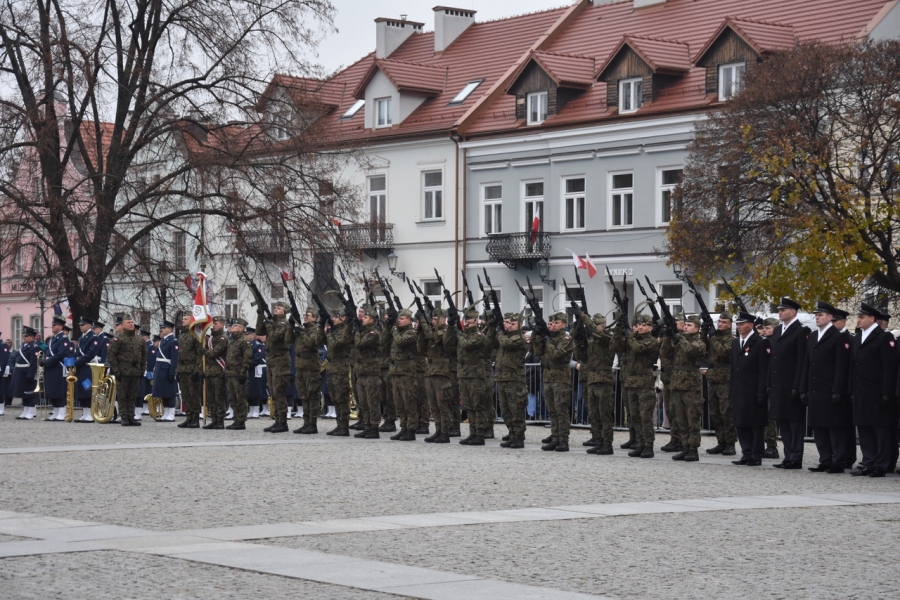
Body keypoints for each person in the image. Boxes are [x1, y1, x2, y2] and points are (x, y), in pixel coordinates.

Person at [799, 302, 852, 473]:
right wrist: (803, 388)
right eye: (816, 315)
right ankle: (825, 459)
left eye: (820, 315)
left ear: (830, 317)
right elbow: (807, 364)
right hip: (815, 389)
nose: (817, 317)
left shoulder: (838, 337)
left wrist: (837, 390)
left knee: (834, 427)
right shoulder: (813, 336)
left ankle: (839, 461)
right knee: (819, 427)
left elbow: (841, 367)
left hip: (830, 389)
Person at [849, 303, 898, 477]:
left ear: (872, 319)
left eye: (862, 317)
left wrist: (887, 392)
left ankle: (881, 464)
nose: (858, 320)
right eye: (858, 317)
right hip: (860, 391)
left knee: (880, 430)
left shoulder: (883, 337)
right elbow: (853, 367)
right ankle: (868, 462)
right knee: (864, 428)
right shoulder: (858, 337)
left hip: (877, 391)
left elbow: (889, 367)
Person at [768, 298, 810, 469]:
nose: (780, 312)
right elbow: (773, 359)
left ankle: (796, 457)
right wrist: (769, 382)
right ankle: (788, 456)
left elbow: (801, 361)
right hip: (778, 384)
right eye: (779, 310)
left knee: (794, 423)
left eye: (783, 310)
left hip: (792, 384)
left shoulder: (801, 331)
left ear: (793, 312)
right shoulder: (778, 330)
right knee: (783, 421)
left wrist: (798, 386)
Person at [612, 314, 659, 458]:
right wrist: (619, 330)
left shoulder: (652, 341)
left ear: (650, 328)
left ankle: (648, 446)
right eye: (638, 325)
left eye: (644, 325)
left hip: (644, 383)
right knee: (634, 416)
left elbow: (638, 349)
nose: (640, 327)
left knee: (645, 416)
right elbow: (615, 346)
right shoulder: (632, 339)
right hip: (631, 383)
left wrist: (629, 335)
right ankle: (640, 442)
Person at [730, 311, 771, 466]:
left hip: (753, 391)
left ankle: (756, 454)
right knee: (740, 423)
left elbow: (763, 370)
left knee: (755, 424)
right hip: (739, 390)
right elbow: (733, 369)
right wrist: (731, 390)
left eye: (742, 324)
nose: (739, 327)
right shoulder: (736, 343)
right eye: (738, 324)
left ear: (751, 325)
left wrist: (761, 393)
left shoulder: (760, 342)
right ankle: (746, 453)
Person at [532, 312, 576, 452]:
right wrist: (537, 335)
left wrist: (547, 341)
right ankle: (555, 437)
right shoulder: (550, 338)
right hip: (548, 377)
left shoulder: (566, 338)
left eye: (556, 323)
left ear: (564, 324)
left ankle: (563, 440)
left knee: (561, 410)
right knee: (552, 411)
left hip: (561, 378)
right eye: (551, 323)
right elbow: (537, 351)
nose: (553, 325)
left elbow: (556, 354)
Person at [667, 315, 707, 462]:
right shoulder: (680, 341)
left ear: (697, 329)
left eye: (689, 325)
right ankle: (685, 447)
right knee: (681, 419)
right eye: (685, 325)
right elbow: (666, 353)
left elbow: (689, 350)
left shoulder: (699, 343)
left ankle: (693, 449)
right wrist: (668, 337)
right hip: (677, 385)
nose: (685, 327)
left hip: (691, 387)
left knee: (692, 419)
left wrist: (681, 338)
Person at [576, 311, 616, 455]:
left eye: (597, 324)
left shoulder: (608, 337)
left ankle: (607, 444)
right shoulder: (592, 340)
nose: (593, 327)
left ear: (603, 325)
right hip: (592, 379)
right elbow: (581, 356)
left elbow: (597, 333)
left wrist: (583, 316)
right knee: (594, 413)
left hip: (603, 379)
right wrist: (578, 339)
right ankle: (598, 441)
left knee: (604, 414)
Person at [489, 311, 527, 449]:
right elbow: (490, 342)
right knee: (505, 410)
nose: (509, 326)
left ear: (520, 325)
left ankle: (518, 437)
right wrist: (492, 327)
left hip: (515, 380)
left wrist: (500, 332)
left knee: (516, 410)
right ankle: (512, 434)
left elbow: (506, 344)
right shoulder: (503, 336)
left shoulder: (520, 338)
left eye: (513, 323)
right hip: (502, 378)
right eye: (507, 323)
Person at [419, 306, 456, 444]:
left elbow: (432, 336)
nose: (432, 321)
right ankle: (438, 430)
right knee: (434, 405)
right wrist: (420, 332)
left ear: (443, 320)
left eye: (435, 319)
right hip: (430, 372)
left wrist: (423, 322)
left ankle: (445, 432)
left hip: (442, 373)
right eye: (432, 319)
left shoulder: (445, 332)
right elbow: (421, 349)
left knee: (443, 405)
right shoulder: (431, 332)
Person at [257, 301, 294, 433]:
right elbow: (259, 331)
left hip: (280, 360)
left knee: (279, 391)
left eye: (279, 308)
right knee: (273, 391)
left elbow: (274, 337)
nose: (275, 309)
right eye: (275, 308)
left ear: (285, 311)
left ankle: (282, 422)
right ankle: (277, 420)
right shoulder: (273, 322)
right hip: (271, 360)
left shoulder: (284, 324)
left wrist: (269, 324)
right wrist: (260, 315)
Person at [705, 312, 737, 455]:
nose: (720, 324)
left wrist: (713, 338)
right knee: (715, 413)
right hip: (713, 379)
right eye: (719, 321)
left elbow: (724, 352)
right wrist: (704, 331)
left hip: (725, 380)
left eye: (724, 322)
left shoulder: (732, 339)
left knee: (726, 413)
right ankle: (721, 442)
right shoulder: (714, 337)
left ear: (730, 325)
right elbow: (704, 346)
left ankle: (730, 443)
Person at [108, 315, 147, 427]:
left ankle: (131, 416)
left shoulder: (139, 339)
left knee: (132, 395)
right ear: (123, 325)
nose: (131, 324)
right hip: (123, 371)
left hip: (135, 371)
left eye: (132, 322)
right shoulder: (118, 339)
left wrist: (142, 369)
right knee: (122, 395)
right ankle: (124, 417)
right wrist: (116, 370)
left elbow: (144, 355)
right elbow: (111, 355)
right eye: (128, 322)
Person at [294, 307, 326, 434]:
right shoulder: (304, 329)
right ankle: (306, 422)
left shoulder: (316, 329)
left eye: (308, 315)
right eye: (305, 315)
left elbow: (311, 343)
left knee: (312, 396)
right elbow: (288, 340)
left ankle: (313, 424)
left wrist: (301, 333)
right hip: (300, 367)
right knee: (303, 396)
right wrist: (292, 327)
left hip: (311, 368)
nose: (305, 317)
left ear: (315, 318)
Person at [353, 305, 383, 438]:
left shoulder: (373, 334)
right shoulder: (363, 332)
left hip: (371, 373)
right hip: (361, 372)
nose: (363, 319)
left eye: (366, 317)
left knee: (372, 402)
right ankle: (367, 426)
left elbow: (359, 344)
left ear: (372, 320)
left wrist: (357, 331)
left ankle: (374, 428)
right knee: (363, 402)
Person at [390, 309, 420, 441]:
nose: (399, 321)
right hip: (396, 371)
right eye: (398, 319)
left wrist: (394, 330)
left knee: (409, 402)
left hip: (407, 372)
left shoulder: (411, 333)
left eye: (401, 319)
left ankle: (411, 429)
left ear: (409, 319)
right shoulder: (398, 332)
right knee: (399, 403)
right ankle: (403, 428)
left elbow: (401, 342)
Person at [325, 308, 354, 436]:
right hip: (332, 367)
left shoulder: (345, 331)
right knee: (335, 398)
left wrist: (329, 333)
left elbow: (336, 344)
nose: (333, 319)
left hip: (341, 367)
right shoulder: (335, 330)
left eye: (336, 317)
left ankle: (344, 426)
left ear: (344, 318)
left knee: (341, 398)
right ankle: (339, 424)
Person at [658, 316, 685, 453]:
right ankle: (675, 439)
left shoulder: (683, 339)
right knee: (670, 411)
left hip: (679, 381)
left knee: (678, 412)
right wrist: (666, 336)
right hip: (668, 379)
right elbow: (664, 352)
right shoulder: (670, 337)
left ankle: (682, 440)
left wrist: (673, 336)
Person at [42, 316, 75, 421]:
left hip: (58, 367)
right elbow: (48, 351)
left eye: (54, 325)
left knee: (59, 390)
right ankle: (56, 411)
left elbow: (61, 353)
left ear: (60, 327)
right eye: (52, 325)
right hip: (51, 367)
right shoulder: (53, 338)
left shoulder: (63, 338)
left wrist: (48, 362)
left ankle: (61, 412)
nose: (52, 326)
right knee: (52, 390)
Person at [758, 317, 781, 458]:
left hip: (772, 383)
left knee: (770, 417)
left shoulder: (777, 343)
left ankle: (771, 445)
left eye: (768, 328)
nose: (764, 330)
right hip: (762, 382)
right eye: (764, 328)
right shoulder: (764, 342)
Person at [201, 316, 228, 429]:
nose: (214, 325)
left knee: (219, 398)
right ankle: (214, 419)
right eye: (213, 323)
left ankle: (220, 421)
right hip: (210, 371)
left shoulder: (223, 338)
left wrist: (203, 351)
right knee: (211, 398)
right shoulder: (211, 338)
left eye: (216, 323)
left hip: (219, 371)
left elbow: (214, 353)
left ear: (222, 324)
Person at [177, 315, 203, 428]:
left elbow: (200, 354)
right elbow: (180, 355)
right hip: (183, 369)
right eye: (182, 319)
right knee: (185, 394)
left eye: (186, 319)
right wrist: (178, 370)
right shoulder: (182, 336)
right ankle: (189, 417)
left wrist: (197, 371)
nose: (183, 321)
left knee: (193, 395)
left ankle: (195, 418)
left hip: (192, 369)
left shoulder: (196, 335)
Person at [73, 316, 100, 422]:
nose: (80, 326)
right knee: (81, 390)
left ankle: (90, 414)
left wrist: (76, 362)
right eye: (80, 325)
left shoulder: (93, 337)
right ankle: (85, 413)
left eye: (83, 325)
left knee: (87, 390)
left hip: (88, 367)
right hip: (81, 367)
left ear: (89, 325)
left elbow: (90, 354)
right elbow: (77, 353)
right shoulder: (81, 338)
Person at [153, 320, 180, 422]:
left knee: (170, 392)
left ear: (170, 329)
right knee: (162, 392)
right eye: (162, 328)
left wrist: (172, 372)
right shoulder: (163, 340)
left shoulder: (173, 341)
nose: (162, 330)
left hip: (167, 368)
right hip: (160, 368)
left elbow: (174, 358)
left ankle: (171, 413)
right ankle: (166, 412)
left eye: (164, 328)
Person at [11, 327, 39, 420]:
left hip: (27, 371)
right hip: (20, 371)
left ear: (32, 337)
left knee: (29, 393)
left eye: (26, 336)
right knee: (23, 393)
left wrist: (30, 374)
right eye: (23, 335)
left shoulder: (34, 347)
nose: (24, 337)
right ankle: (25, 411)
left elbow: (34, 362)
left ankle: (30, 412)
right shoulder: (23, 345)